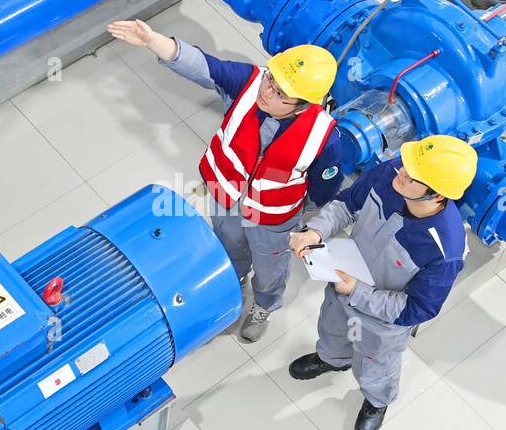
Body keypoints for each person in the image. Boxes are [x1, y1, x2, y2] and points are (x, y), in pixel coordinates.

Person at [107, 19, 344, 343]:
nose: (267, 92)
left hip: (272, 218)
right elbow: (206, 67)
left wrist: (299, 212)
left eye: (281, 95)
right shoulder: (249, 83)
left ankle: (264, 305)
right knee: (228, 245)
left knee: (270, 265)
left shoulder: (323, 137)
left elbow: (324, 186)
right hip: (225, 196)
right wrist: (154, 41)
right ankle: (233, 282)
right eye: (271, 80)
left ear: (304, 106)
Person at [287, 136, 477, 430]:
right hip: (342, 287)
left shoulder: (446, 249)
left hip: (382, 323)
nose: (401, 170)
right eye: (406, 162)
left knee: (376, 365)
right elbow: (348, 203)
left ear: (438, 194)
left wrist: (359, 293)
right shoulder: (393, 174)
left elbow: (418, 308)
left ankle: (377, 401)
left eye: (413, 174)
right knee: (332, 330)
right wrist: (315, 230)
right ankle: (332, 358)